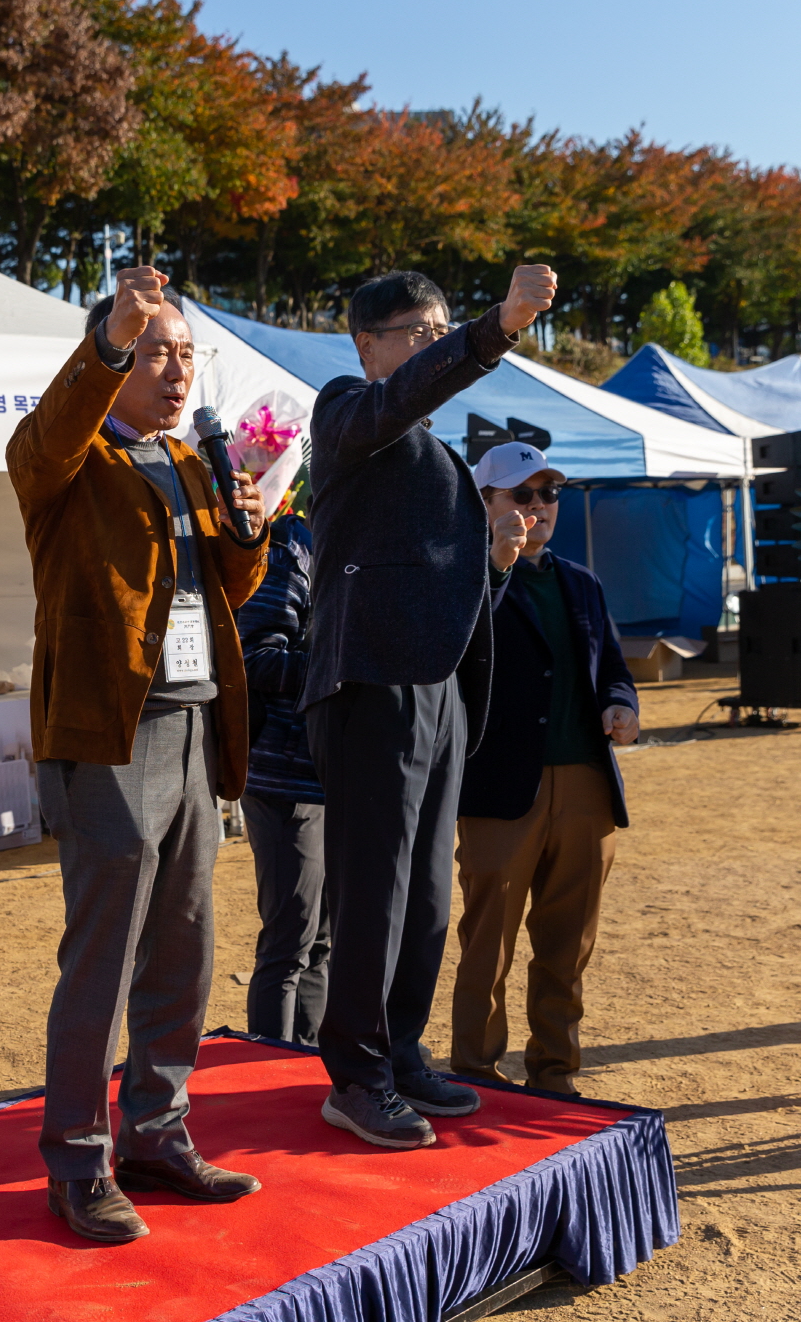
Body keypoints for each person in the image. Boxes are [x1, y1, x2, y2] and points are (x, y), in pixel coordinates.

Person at [8, 267, 269, 1243]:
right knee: (104, 957)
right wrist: (111, 342)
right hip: (110, 736)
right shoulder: (68, 458)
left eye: (186, 354)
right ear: (112, 359)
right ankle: (79, 1161)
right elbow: (46, 438)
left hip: (197, 729)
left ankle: (158, 1133)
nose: (176, 370)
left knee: (185, 948)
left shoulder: (193, 462)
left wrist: (248, 533)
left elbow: (224, 590)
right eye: (156, 352)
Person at [302, 264, 556, 1150]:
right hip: (370, 681)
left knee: (427, 895)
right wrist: (493, 329)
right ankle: (357, 1075)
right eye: (417, 332)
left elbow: (438, 585)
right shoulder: (346, 412)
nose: (431, 345)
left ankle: (401, 1051)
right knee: (375, 891)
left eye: (440, 330)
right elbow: (404, 396)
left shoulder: (436, 453)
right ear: (366, 346)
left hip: (438, 685)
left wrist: (494, 566)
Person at [451, 441, 639, 1093]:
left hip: (585, 783)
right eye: (522, 493)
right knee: (488, 944)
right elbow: (456, 654)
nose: (540, 505)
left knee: (568, 943)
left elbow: (613, 668)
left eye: (550, 492)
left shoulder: (581, 581)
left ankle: (555, 1072)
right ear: (484, 504)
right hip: (499, 787)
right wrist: (495, 568)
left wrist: (621, 704)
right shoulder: (459, 576)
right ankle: (476, 1070)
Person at [236, 502, 329, 1044]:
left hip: (332, 777)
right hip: (285, 779)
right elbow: (253, 659)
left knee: (323, 940)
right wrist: (345, 664)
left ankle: (307, 1063)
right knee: (290, 939)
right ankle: (267, 1068)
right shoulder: (287, 556)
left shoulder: (346, 554)